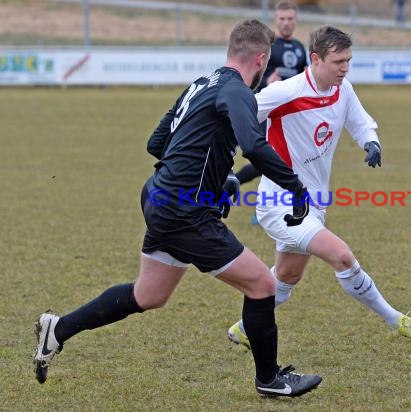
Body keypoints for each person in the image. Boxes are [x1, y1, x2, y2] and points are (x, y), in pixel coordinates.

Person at [33, 19, 322, 398]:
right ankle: (270, 380)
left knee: (149, 294)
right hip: (184, 211)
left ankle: (58, 329)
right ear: (262, 58)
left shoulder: (201, 85)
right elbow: (253, 145)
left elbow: (157, 143)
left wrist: (218, 178)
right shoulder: (238, 91)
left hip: (158, 196)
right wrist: (296, 188)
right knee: (262, 284)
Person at [227, 26, 411, 352]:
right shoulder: (287, 92)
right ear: (316, 59)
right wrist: (228, 169)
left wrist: (371, 142)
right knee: (342, 257)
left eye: (348, 60)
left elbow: (359, 121)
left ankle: (243, 329)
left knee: (286, 277)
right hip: (279, 201)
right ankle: (398, 320)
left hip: (315, 201)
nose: (345, 67)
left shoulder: (343, 89)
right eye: (338, 61)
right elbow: (236, 113)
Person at [234, 0, 308, 224]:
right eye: (282, 19)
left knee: (281, 162)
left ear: (295, 20)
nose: (286, 23)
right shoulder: (266, 46)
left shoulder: (298, 47)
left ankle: (261, 202)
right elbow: (248, 77)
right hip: (268, 113)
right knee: (267, 162)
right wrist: (267, 81)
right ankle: (236, 189)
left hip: (291, 116)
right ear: (275, 20)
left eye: (290, 19)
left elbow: (303, 78)